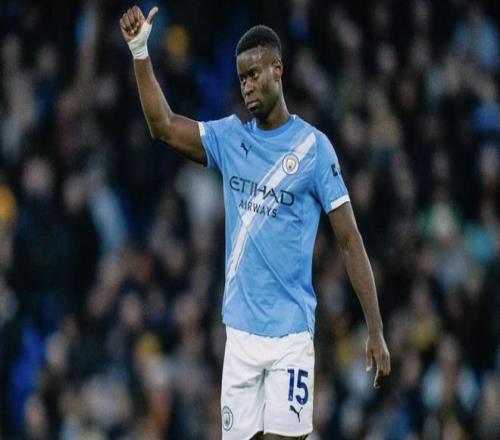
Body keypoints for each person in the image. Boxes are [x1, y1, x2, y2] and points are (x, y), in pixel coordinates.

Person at [120, 5, 391, 439]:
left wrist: (374, 328)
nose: (246, 86)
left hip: (290, 336)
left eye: (254, 74)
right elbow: (163, 126)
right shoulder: (230, 139)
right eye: (241, 78)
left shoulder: (313, 149)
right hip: (240, 338)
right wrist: (139, 52)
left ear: (277, 70)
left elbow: (349, 239)